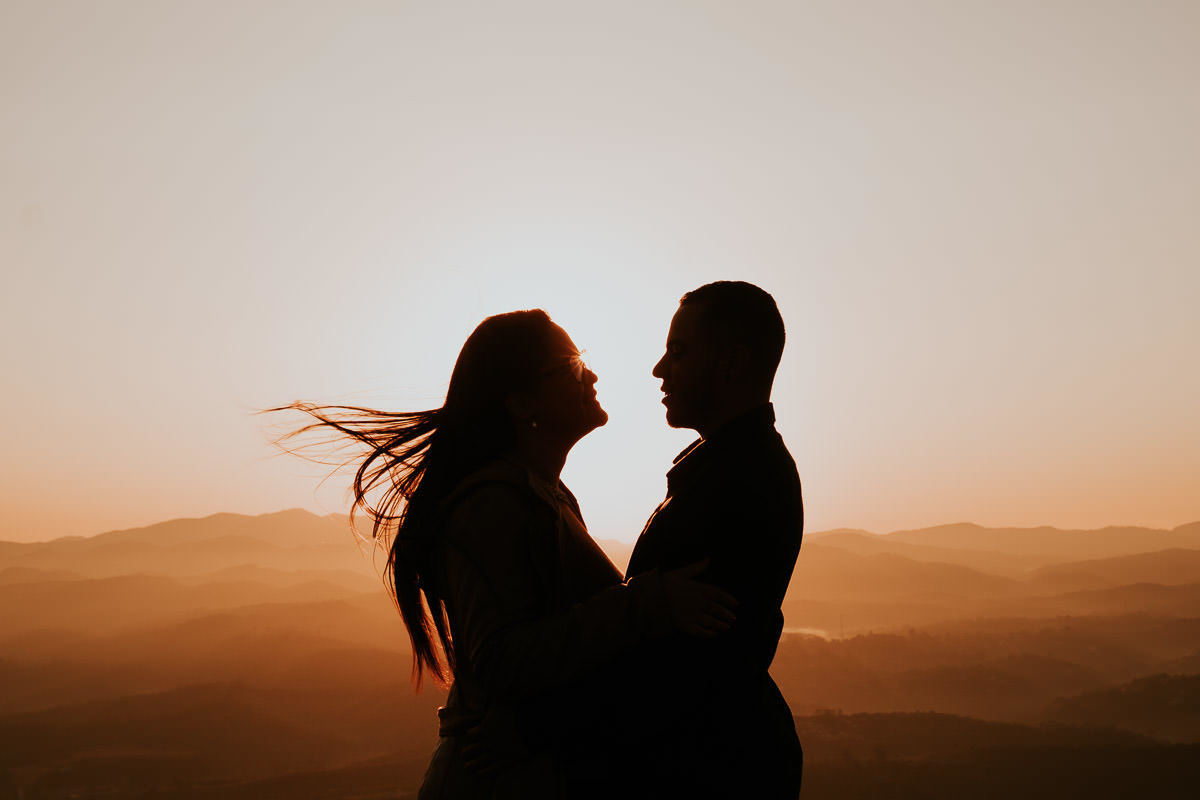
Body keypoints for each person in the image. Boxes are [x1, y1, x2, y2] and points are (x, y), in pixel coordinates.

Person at [268, 309, 738, 800]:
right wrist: (645, 603)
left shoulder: (544, 495)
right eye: (573, 364)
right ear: (520, 402)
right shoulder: (492, 504)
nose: (592, 374)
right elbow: (501, 662)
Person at [493, 282, 804, 799]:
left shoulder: (740, 484)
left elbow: (680, 673)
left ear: (732, 364)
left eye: (678, 353)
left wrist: (534, 734)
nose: (660, 369)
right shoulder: (728, 472)